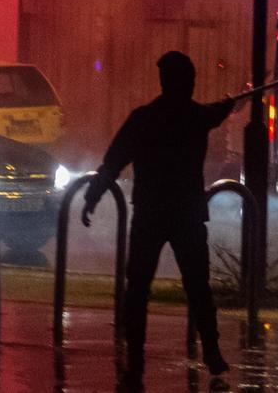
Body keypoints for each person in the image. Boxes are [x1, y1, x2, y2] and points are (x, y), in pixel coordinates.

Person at [82, 51, 240, 386]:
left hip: (150, 213)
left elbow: (113, 162)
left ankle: (135, 358)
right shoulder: (197, 117)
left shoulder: (143, 118)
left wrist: (92, 197)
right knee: (198, 287)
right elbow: (215, 112)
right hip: (187, 214)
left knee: (138, 287)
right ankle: (211, 353)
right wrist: (230, 103)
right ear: (187, 81)